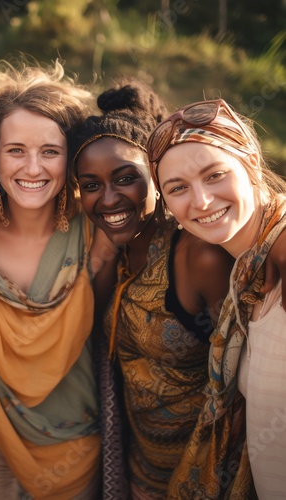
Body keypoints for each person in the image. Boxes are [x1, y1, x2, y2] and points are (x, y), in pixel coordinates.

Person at [0, 60, 104, 500]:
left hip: (73, 435)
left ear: (72, 155)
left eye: (50, 151)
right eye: (16, 151)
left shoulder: (98, 235)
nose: (32, 168)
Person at [72, 79, 235, 499]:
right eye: (91, 185)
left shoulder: (197, 256)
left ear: (158, 178)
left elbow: (239, 379)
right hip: (139, 468)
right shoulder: (115, 251)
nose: (108, 200)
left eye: (125, 179)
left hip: (203, 476)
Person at [148, 98, 286, 498]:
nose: (202, 201)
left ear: (252, 165)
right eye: (178, 188)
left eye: (215, 175)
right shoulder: (247, 274)